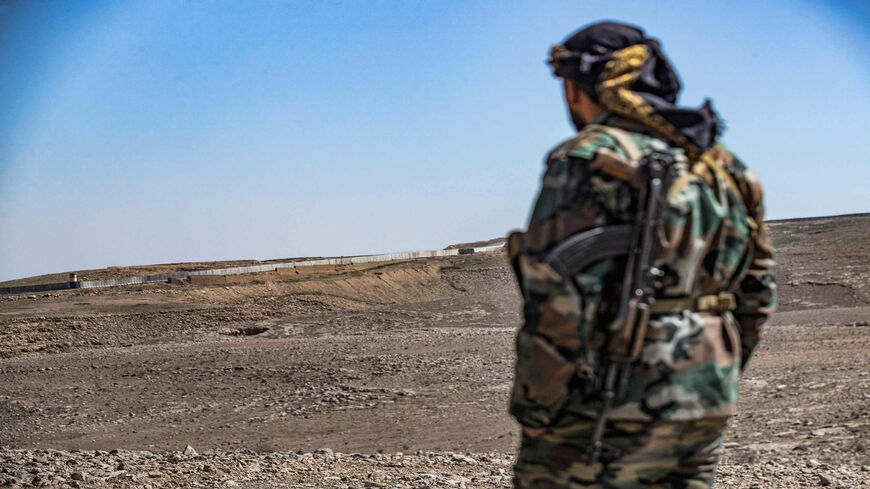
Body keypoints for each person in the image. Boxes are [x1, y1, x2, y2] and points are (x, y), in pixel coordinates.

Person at [507, 21, 777, 489]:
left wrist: (536, 408)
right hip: (705, 400)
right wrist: (715, 373)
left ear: (578, 88)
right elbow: (756, 289)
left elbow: (557, 301)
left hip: (608, 405)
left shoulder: (589, 158)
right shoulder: (725, 166)